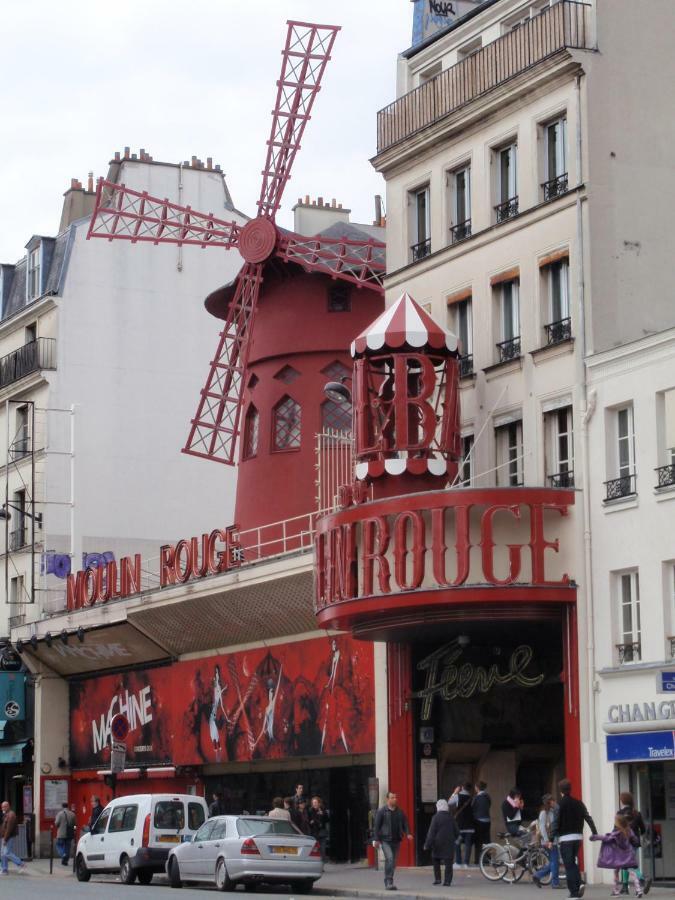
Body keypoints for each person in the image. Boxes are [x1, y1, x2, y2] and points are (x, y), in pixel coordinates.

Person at [550, 778, 597, 900]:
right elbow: (588, 817)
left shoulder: (559, 805)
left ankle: (574, 893)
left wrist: (551, 839)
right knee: (572, 863)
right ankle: (579, 882)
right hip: (578, 838)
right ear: (570, 789)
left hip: (565, 838)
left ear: (560, 791)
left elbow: (555, 823)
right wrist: (594, 832)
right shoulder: (579, 803)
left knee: (568, 865)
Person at [590, 814, 643, 897]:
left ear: (618, 823)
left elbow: (606, 838)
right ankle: (638, 890)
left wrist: (595, 837)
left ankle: (616, 891)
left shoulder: (616, 832)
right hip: (627, 855)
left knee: (616, 872)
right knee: (632, 871)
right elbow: (635, 839)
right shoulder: (629, 830)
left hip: (617, 856)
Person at [373, 791, 413, 891]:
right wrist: (376, 839)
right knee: (390, 859)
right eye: (392, 797)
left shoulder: (400, 812)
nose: (395, 799)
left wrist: (408, 833)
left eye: (395, 797)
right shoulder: (382, 811)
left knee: (393, 862)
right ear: (388, 799)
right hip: (385, 840)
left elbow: (405, 823)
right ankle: (388, 881)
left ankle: (389, 880)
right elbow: (377, 826)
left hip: (396, 840)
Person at [617, 793, 650, 895]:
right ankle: (625, 887)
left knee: (628, 864)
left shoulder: (620, 813)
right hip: (635, 842)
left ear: (622, 801)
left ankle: (642, 879)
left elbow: (616, 829)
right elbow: (643, 829)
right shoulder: (637, 813)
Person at [424, 799, 459, 886]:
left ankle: (438, 879)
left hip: (437, 843)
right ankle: (447, 881)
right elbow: (456, 831)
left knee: (436, 861)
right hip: (449, 843)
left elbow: (431, 832)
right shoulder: (451, 817)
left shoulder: (435, 817)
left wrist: (427, 844)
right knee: (448, 863)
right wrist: (456, 838)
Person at [533, 793, 561, 889]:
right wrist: (547, 841)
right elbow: (542, 828)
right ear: (548, 802)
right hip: (548, 841)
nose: (554, 802)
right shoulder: (543, 813)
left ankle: (537, 875)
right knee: (554, 862)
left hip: (553, 840)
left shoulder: (553, 811)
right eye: (552, 801)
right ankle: (555, 883)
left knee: (554, 861)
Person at [450, 783, 475, 868]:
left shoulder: (458, 796)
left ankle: (458, 862)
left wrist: (454, 793)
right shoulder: (472, 798)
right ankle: (466, 863)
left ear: (462, 788)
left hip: (460, 825)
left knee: (457, 843)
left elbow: (449, 802)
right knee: (468, 844)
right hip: (470, 825)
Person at [1, 800, 26, 875]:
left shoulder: (11, 815)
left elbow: (9, 829)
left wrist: (5, 839)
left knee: (7, 853)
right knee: (2, 853)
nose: (3, 808)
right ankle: (4, 870)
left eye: (4, 807)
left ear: (8, 806)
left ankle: (21, 864)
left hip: (8, 837)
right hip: (4, 837)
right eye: (2, 807)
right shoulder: (7, 814)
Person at [472, 781, 491, 865]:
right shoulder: (487, 797)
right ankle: (488, 858)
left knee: (478, 841)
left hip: (478, 821)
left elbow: (472, 808)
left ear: (477, 787)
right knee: (487, 840)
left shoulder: (476, 798)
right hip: (487, 820)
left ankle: (478, 860)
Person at [308, 796, 330, 862]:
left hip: (322, 832)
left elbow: (327, 820)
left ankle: (322, 864)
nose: (314, 804)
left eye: (315, 802)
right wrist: (315, 818)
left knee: (323, 849)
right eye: (313, 802)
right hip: (314, 832)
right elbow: (310, 821)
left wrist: (322, 814)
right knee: (315, 849)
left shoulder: (323, 810)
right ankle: (315, 863)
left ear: (319, 803)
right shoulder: (310, 810)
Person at [55, 801, 76, 867]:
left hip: (61, 833)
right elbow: (75, 824)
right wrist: (74, 830)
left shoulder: (60, 814)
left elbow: (56, 823)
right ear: (68, 806)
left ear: (62, 806)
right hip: (69, 833)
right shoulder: (72, 814)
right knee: (67, 847)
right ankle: (65, 861)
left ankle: (63, 854)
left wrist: (58, 825)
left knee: (59, 845)